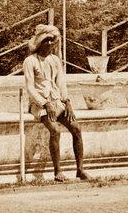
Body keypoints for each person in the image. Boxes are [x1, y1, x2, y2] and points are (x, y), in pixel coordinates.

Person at [22, 23, 90, 182]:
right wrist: (45, 103)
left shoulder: (55, 60)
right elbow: (30, 88)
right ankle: (57, 171)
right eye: (47, 40)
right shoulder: (30, 61)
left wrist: (67, 102)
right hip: (40, 106)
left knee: (77, 128)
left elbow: (61, 83)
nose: (50, 44)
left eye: (53, 40)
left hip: (57, 103)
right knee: (55, 130)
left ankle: (80, 170)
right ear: (39, 42)